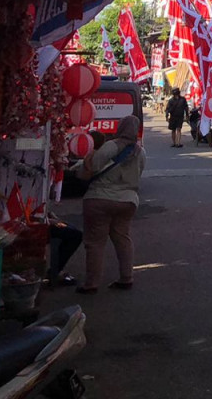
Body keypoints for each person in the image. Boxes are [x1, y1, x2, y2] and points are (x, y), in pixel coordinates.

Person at [77, 114, 146, 293]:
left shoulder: (110, 146)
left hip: (99, 198)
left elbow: (93, 166)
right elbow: (139, 173)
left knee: (95, 242)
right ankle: (126, 278)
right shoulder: (140, 152)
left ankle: (91, 283)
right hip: (127, 201)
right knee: (122, 239)